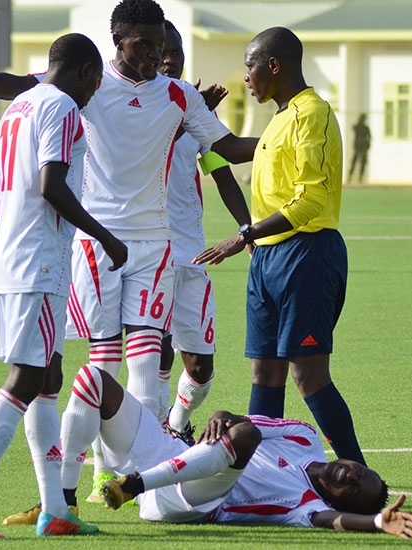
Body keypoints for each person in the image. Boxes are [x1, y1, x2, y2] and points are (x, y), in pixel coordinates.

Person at [0, 0, 258, 504]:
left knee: (148, 361)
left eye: (160, 47)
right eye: (144, 46)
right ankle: (75, 483)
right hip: (93, 239)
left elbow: (230, 145)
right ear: (119, 44)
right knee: (100, 364)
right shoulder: (87, 84)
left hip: (155, 242)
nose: (155, 56)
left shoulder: (177, 95)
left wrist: (288, 138)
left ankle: (147, 478)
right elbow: (25, 85)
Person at [0, 33, 128, 539]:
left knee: (48, 377)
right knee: (25, 379)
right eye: (96, 81)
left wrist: (14, 237)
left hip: (15, 256)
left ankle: (55, 511)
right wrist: (106, 237)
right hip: (40, 262)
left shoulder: (18, 107)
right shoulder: (62, 107)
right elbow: (52, 185)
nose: (93, 93)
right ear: (85, 71)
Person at [194, 27, 367, 466]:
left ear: (274, 65)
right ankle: (262, 473)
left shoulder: (313, 114)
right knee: (264, 372)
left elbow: (312, 199)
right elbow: (229, 152)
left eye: (250, 66)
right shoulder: (278, 119)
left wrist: (245, 235)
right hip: (268, 258)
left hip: (306, 254)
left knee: (307, 374)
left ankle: (358, 472)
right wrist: (197, 118)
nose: (246, 76)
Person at [58, 364, 412, 539]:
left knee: (245, 437)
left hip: (192, 504)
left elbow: (336, 522)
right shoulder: (305, 437)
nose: (353, 476)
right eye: (361, 472)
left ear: (341, 503)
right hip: (170, 452)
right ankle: (62, 503)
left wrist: (375, 522)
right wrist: (220, 417)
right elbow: (235, 419)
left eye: (356, 490)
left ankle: (133, 485)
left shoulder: (308, 507)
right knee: (94, 381)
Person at [156, 20, 251, 445]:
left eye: (176, 50)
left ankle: (177, 421)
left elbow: (221, 172)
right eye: (162, 51)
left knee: (200, 367)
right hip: (143, 252)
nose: (171, 59)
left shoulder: (195, 109)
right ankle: (149, 443)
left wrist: (247, 229)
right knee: (151, 355)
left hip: (189, 254)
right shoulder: (126, 106)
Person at [348, 113, 371, 183]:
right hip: (357, 147)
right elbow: (354, 128)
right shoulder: (358, 127)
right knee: (354, 162)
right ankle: (350, 176)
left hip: (364, 148)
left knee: (363, 163)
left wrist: (365, 142)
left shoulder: (366, 128)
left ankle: (360, 178)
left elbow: (369, 137)